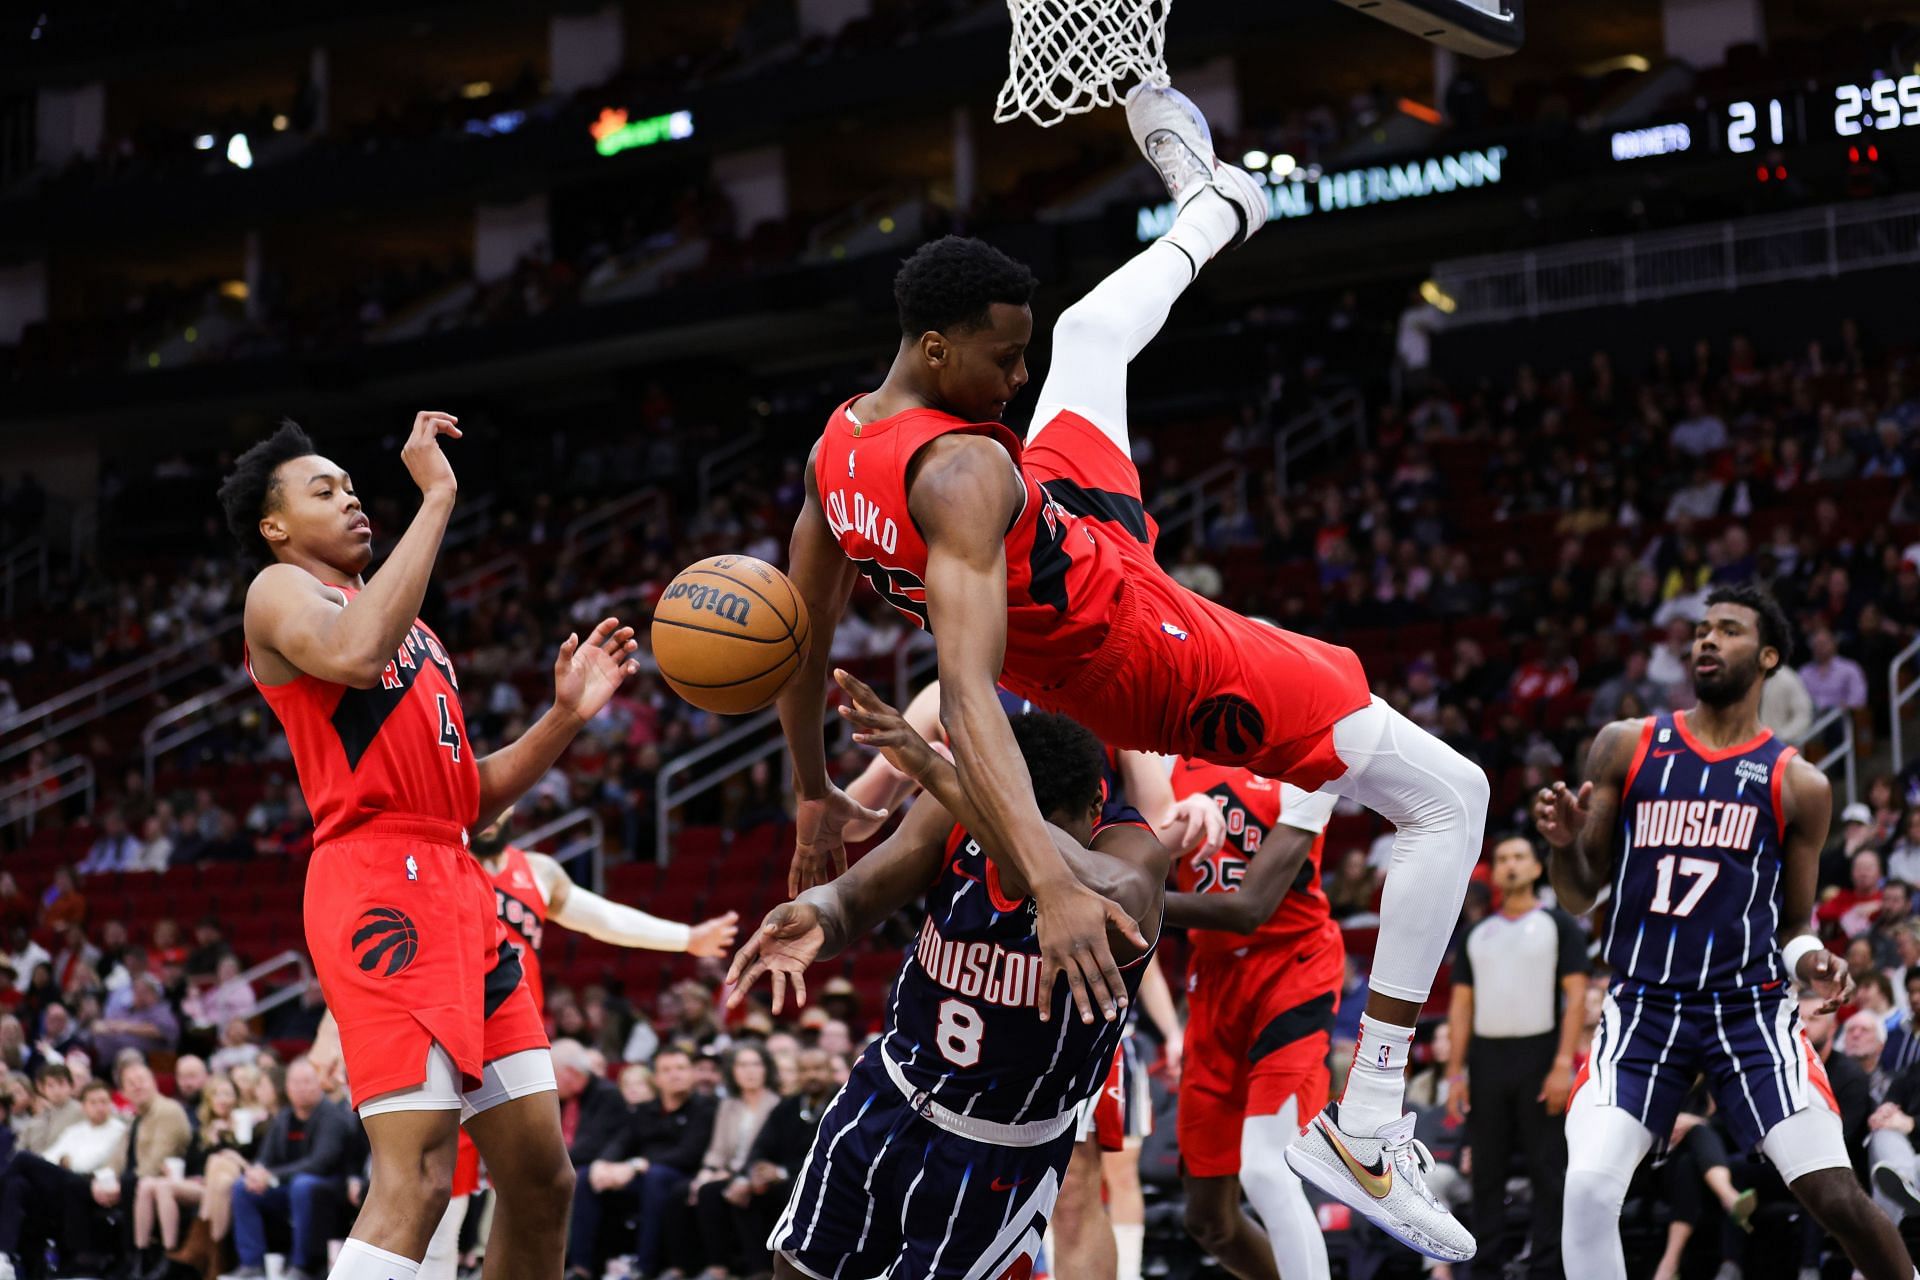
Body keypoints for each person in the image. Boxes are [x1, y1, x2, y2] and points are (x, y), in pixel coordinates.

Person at [774, 85, 1486, 1261]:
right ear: (939, 350)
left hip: (1071, 530)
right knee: (1452, 793)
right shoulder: (958, 473)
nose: (1012, 379)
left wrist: (812, 788)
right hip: (1141, 653)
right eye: (999, 360)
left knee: (1091, 342)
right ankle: (1366, 1121)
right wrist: (1056, 886)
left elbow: (800, 631)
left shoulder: (842, 440)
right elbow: (965, 695)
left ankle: (1222, 204)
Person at [223, 414, 640, 1280]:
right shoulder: (280, 592)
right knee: (415, 1180)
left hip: (456, 879)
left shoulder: (420, 633)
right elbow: (354, 652)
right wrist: (440, 495)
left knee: (540, 1180)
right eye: (323, 490)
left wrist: (564, 716)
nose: (351, 501)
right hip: (376, 881)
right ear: (275, 527)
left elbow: (470, 797)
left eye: (350, 486)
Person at [1534, 584, 1915, 1280]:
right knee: (1587, 1189)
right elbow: (1581, 895)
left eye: (1728, 630)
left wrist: (1813, 961)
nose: (1706, 640)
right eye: (1702, 629)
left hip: (1748, 1011)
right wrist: (1564, 846)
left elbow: (1793, 923)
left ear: (1768, 656)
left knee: (1836, 1196)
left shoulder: (1798, 782)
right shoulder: (1627, 745)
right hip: (1645, 1007)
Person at [734, 675, 1166, 1280]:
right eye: (1000, 822)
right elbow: (858, 895)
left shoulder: (1130, 852)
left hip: (1002, 1150)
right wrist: (820, 914)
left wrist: (947, 779)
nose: (1014, 854)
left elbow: (1119, 891)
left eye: (1036, 828)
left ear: (1093, 810)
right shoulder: (957, 808)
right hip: (884, 1097)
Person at [413, 809, 741, 1279]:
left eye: (502, 805)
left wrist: (685, 938)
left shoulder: (540, 872)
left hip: (516, 1046)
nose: (491, 815)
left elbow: (601, 918)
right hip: (450, 1040)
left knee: (537, 1187)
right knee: (444, 1196)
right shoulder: (442, 863)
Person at [1160, 755, 1343, 1280]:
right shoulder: (1168, 754)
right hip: (1213, 977)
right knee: (1209, 1221)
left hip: (1292, 965)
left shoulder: (1304, 761)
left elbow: (1249, 907)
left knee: (1267, 1169)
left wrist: (1127, 898)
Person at [1444, 835, 1590, 1277]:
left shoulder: (1558, 925)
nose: (1510, 865)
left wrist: (1563, 1064)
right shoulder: (1474, 934)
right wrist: (1454, 1073)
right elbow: (1461, 1006)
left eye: (1519, 858)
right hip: (1487, 1060)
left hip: (1541, 1056)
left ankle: (1547, 1268)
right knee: (1485, 1173)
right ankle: (1485, 1267)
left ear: (1535, 868)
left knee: (1548, 1171)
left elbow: (1577, 996)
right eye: (1502, 858)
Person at [565, 1045, 716, 1280]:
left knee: (655, 1177)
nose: (675, 1074)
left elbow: (689, 1154)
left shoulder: (705, 1107)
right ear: (656, 1078)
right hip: (641, 1175)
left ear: (692, 1074)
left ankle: (644, 1268)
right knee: (586, 1177)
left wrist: (636, 1165)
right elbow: (622, 1142)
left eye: (681, 1068)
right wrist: (604, 1164)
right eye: (666, 1070)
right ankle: (581, 1267)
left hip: (682, 1176)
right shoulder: (645, 1110)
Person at [226, 1058, 358, 1280]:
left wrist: (270, 1176)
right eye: (295, 1083)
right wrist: (257, 1173)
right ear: (286, 1087)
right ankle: (251, 1265)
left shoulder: (332, 1116)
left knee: (303, 1185)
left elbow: (320, 1163)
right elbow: (265, 1158)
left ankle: (302, 1266)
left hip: (328, 1189)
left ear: (319, 1084)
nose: (301, 1088)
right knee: (242, 1187)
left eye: (307, 1082)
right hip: (289, 1186)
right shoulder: (284, 1118)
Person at [0, 1080, 127, 1276]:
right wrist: (61, 1161)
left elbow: (90, 1162)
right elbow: (49, 1157)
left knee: (22, 1159)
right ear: (84, 1106)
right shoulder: (75, 1131)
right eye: (93, 1102)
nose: (99, 1107)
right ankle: (4, 1255)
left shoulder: (118, 1129)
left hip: (90, 1184)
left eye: (104, 1101)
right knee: (17, 1184)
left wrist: (66, 1160)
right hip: (65, 1184)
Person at [686, 1043, 779, 1280]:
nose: (749, 1071)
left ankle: (755, 1269)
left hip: (757, 1174)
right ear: (733, 1072)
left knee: (718, 1191)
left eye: (755, 1064)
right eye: (742, 1065)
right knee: (694, 1190)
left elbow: (769, 1152)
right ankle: (711, 1268)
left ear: (766, 1069)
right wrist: (706, 1172)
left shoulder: (778, 1104)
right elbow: (716, 1150)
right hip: (727, 1172)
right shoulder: (728, 1105)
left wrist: (732, 1174)